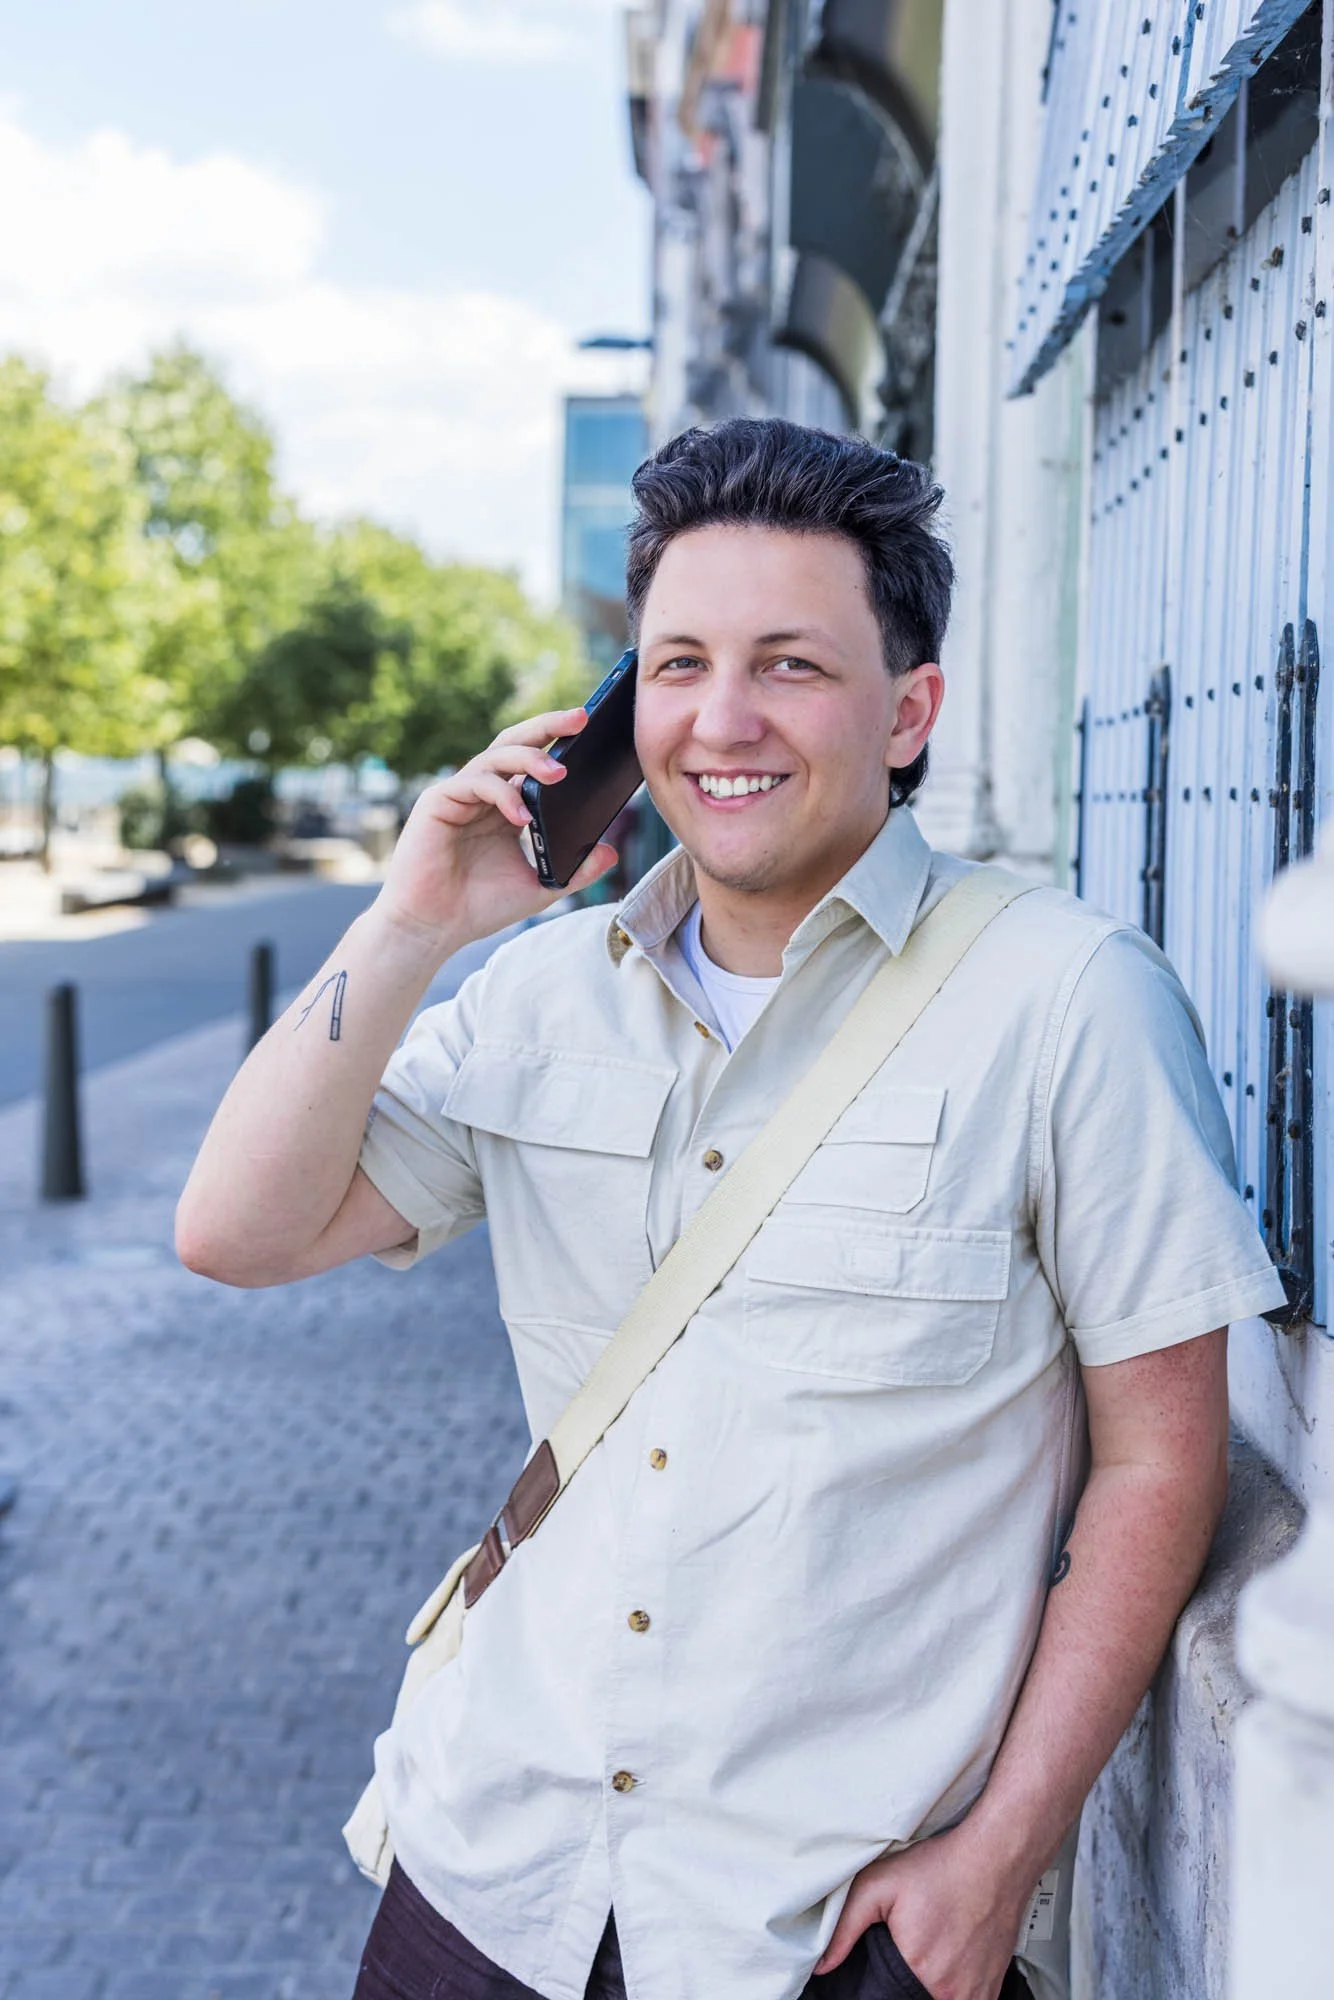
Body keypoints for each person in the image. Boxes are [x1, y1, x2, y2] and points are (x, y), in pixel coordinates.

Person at [177, 419, 1285, 2000]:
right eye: (678, 663)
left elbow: (1160, 1460)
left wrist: (1003, 1857)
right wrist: (418, 916)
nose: (722, 720)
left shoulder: (1068, 1000)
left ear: (910, 712)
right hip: (494, 1872)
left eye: (789, 665)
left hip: (823, 1928)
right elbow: (238, 1231)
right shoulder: (539, 996)